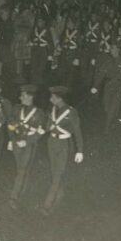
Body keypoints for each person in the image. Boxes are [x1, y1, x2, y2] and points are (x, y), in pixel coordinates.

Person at [41, 86, 83, 216]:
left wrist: (80, 150)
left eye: (52, 97)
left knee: (58, 173)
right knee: (54, 172)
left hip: (64, 144)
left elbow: (77, 132)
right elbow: (48, 126)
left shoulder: (71, 112)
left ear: (59, 98)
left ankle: (47, 205)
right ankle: (59, 197)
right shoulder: (52, 109)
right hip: (52, 143)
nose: (50, 99)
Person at [7, 84, 45, 210]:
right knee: (22, 169)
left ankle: (14, 197)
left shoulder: (39, 113)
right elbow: (10, 125)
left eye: (22, 95)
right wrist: (12, 140)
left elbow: (39, 133)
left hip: (29, 145)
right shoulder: (16, 108)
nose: (20, 97)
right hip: (17, 142)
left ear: (30, 97)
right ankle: (22, 191)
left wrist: (27, 142)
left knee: (22, 170)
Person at [91, 43, 121, 133]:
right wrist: (95, 86)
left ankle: (106, 128)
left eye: (115, 49)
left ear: (119, 50)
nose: (113, 51)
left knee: (112, 107)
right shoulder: (107, 61)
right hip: (108, 86)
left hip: (119, 87)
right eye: (111, 49)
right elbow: (101, 74)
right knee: (106, 106)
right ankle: (114, 118)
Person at [29, 16, 54, 86]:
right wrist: (31, 41)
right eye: (38, 21)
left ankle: (39, 80)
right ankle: (33, 80)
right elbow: (31, 37)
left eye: (40, 21)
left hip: (43, 49)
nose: (39, 23)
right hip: (35, 48)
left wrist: (50, 54)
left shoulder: (47, 30)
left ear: (44, 22)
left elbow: (50, 42)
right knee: (33, 64)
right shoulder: (35, 29)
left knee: (41, 65)